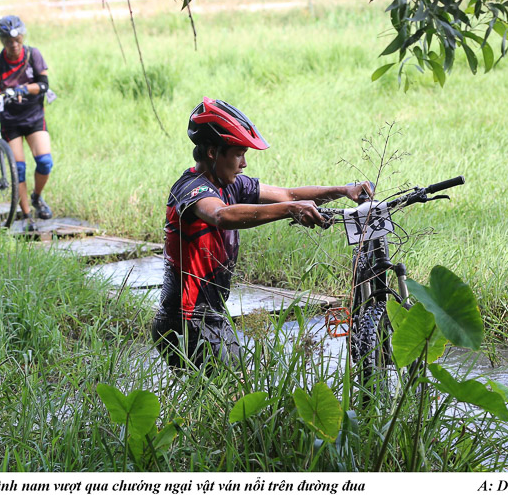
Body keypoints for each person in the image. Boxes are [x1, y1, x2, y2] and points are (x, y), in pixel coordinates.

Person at [151, 98, 373, 371]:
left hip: (211, 318)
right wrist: (290, 210)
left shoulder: (227, 183)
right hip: (185, 322)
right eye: (238, 153)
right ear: (212, 152)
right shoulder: (191, 189)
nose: (244, 163)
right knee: (234, 401)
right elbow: (221, 216)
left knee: (238, 397)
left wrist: (342, 190)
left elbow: (289, 194)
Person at [0, 15, 53, 230]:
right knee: (18, 169)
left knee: (45, 162)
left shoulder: (33, 55)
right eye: (8, 41)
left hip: (34, 116)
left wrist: (23, 89)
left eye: (17, 39)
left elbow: (44, 84)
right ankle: (27, 214)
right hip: (10, 121)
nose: (13, 44)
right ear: (1, 40)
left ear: (22, 36)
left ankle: (37, 197)